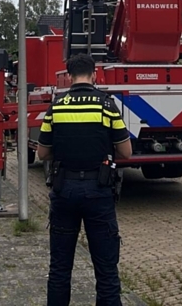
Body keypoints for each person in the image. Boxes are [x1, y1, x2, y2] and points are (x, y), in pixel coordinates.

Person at [37, 54, 131, 306]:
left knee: (59, 268)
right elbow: (126, 151)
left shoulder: (56, 106)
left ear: (68, 76)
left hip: (64, 190)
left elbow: (42, 152)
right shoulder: (106, 105)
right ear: (95, 75)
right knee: (106, 270)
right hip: (98, 191)